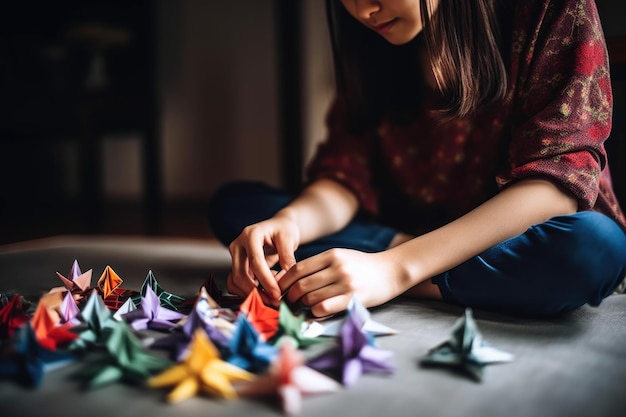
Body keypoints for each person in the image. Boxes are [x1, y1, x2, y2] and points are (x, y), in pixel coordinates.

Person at [208, 0, 626, 318]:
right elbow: (346, 176)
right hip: (403, 230)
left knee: (595, 248)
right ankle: (381, 271)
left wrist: (395, 271)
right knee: (240, 209)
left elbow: (555, 188)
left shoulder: (551, 8)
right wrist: (291, 223)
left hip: (508, 236)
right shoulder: (371, 44)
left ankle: (371, 273)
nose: (363, 10)